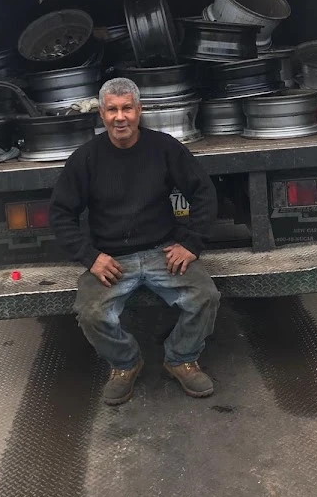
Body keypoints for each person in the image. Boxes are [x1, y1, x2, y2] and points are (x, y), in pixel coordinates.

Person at [49, 77, 220, 405]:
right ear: (102, 114)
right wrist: (90, 257)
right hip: (112, 258)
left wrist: (191, 244)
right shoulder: (86, 158)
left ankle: (181, 358)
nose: (120, 117)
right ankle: (126, 363)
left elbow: (203, 193)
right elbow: (60, 213)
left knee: (205, 296)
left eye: (127, 108)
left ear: (139, 110)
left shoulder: (164, 147)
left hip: (163, 251)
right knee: (90, 312)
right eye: (112, 110)